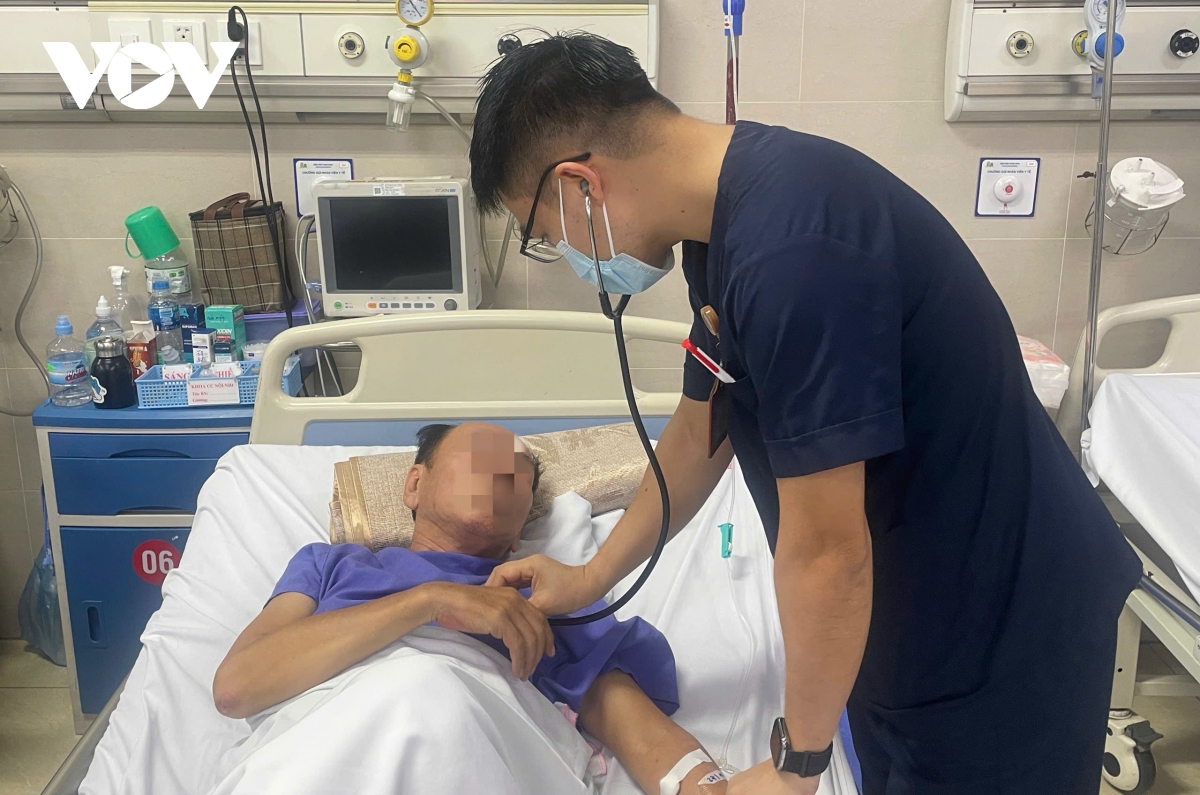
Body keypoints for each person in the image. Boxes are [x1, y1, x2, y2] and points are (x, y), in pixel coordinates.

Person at [473, 33, 1142, 795]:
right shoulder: (725, 230)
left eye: (546, 236)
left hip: (1002, 629)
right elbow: (700, 432)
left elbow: (827, 549)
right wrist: (590, 575)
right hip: (909, 619)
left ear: (578, 185)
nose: (567, 256)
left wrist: (798, 764)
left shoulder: (793, 249)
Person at [212, 422, 729, 795]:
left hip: (477, 744)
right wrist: (431, 601)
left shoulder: (548, 597)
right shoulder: (330, 565)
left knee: (428, 692)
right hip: (316, 745)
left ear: (523, 523)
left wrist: (708, 785)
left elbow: (644, 738)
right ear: (415, 485)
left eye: (514, 473)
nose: (497, 472)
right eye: (477, 458)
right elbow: (238, 687)